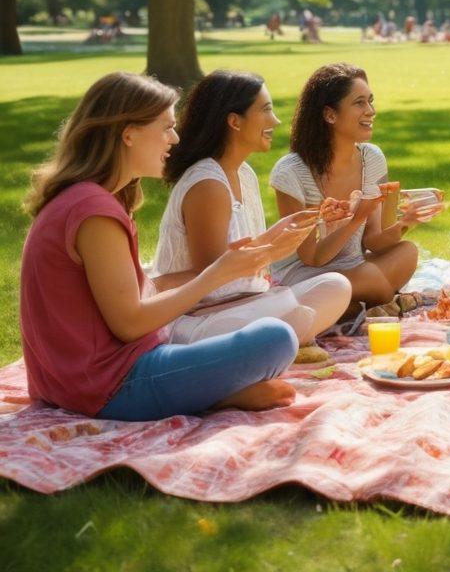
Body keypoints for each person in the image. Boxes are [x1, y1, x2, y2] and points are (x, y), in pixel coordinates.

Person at [19, 72, 312, 421]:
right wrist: (215, 274)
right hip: (107, 386)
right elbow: (129, 324)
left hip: (75, 381)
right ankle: (215, 396)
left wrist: (250, 255)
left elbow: (133, 296)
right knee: (276, 339)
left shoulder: (88, 200)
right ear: (129, 134)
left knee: (280, 326)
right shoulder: (94, 212)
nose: (174, 138)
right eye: (166, 127)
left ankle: (210, 392)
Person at [153, 71, 351, 352]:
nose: (276, 121)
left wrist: (306, 223)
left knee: (336, 286)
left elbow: (244, 254)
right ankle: (282, 341)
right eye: (266, 110)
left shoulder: (243, 173)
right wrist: (272, 251)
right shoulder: (208, 185)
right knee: (286, 309)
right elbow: (213, 282)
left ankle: (279, 341)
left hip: (246, 305)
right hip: (199, 319)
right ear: (234, 121)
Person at [271, 64, 441, 309]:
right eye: (360, 103)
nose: (371, 111)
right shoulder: (291, 172)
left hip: (353, 267)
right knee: (373, 280)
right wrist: (354, 218)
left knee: (407, 252)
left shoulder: (372, 159)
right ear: (330, 115)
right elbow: (313, 257)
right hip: (304, 275)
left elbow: (374, 241)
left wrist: (407, 221)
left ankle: (349, 309)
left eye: (371, 101)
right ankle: (367, 304)